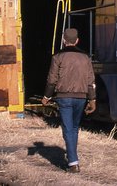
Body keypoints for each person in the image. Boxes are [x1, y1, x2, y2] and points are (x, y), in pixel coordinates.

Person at [42, 28, 96, 173]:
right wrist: (92, 99)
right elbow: (91, 80)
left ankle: (73, 162)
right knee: (74, 128)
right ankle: (73, 157)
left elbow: (52, 80)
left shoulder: (58, 57)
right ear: (77, 40)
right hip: (81, 97)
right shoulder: (86, 57)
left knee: (67, 128)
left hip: (64, 97)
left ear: (64, 40)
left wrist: (46, 96)